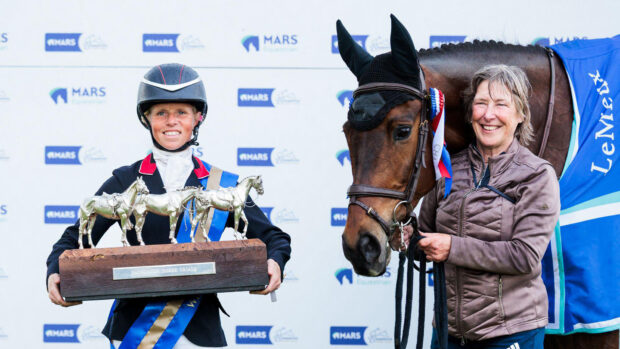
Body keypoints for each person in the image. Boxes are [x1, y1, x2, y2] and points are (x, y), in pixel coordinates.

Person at [46, 63, 291, 348]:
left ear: (197, 118)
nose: (171, 121)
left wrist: (275, 261)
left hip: (199, 330)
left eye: (181, 113)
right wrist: (54, 271)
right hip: (134, 330)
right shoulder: (125, 179)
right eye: (161, 112)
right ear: (147, 118)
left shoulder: (222, 185)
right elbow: (73, 239)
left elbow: (275, 238)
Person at [413, 65, 560, 348]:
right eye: (481, 103)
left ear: (520, 115)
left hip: (511, 334)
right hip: (448, 333)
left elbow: (524, 256)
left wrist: (452, 248)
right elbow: (426, 235)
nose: (488, 114)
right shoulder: (446, 168)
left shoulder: (537, 175)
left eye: (501, 104)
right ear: (470, 113)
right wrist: (410, 238)